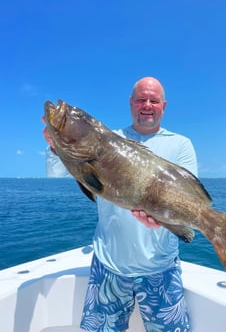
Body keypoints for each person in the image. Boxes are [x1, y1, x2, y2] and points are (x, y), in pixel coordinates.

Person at [42, 77, 197, 332]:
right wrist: (53, 145)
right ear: (131, 103)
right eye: (140, 99)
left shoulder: (181, 145)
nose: (146, 105)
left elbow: (187, 199)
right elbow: (56, 174)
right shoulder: (109, 138)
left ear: (163, 105)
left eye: (153, 100)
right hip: (109, 266)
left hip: (161, 268)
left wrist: (166, 220)